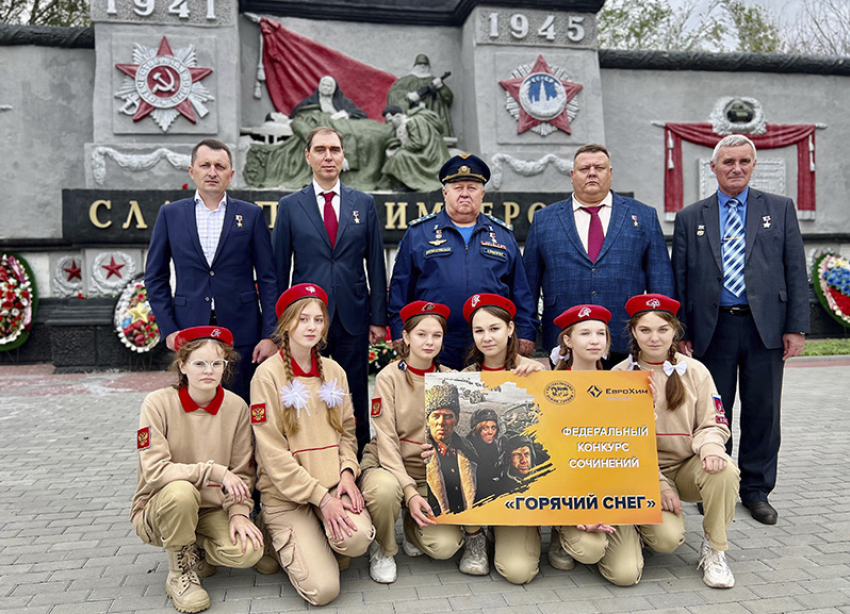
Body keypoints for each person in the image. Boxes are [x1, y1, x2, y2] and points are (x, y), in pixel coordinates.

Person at [672, 133, 809, 526]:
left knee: (763, 412)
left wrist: (796, 327)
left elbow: (795, 270)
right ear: (713, 168)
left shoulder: (779, 209)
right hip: (710, 329)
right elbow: (680, 279)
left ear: (753, 166)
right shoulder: (690, 217)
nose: (736, 168)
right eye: (727, 162)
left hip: (764, 327)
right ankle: (714, 480)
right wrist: (679, 332)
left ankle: (756, 489)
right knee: (713, 411)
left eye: (744, 162)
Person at [250, 283, 375, 605]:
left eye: (318, 320)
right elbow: (272, 453)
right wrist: (322, 499)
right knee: (323, 591)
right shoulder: (266, 376)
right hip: (287, 495)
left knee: (358, 540)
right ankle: (272, 530)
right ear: (286, 324)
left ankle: (320, 538)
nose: (311, 327)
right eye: (303, 319)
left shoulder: (333, 370)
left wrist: (347, 474)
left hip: (332, 485)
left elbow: (348, 431)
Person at [130, 326, 263, 613]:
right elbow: (155, 472)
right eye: (199, 363)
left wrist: (240, 513)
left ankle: (195, 546)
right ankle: (180, 574)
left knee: (249, 552)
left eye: (217, 363)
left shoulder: (236, 407)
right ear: (182, 366)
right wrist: (214, 471)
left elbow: (242, 474)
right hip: (161, 507)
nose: (209, 370)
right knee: (181, 491)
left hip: (211, 509)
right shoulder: (157, 404)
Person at [272, 126, 388, 455]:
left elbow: (376, 265)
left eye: (335, 150)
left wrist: (378, 318)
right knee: (306, 388)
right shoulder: (291, 206)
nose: (328, 156)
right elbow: (279, 269)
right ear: (307, 156)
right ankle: (311, 455)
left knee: (353, 393)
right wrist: (280, 323)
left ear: (343, 157)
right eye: (320, 150)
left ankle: (359, 458)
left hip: (352, 315)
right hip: (305, 319)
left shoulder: (363, 204)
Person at [613, 293, 740, 589]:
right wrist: (655, 481)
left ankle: (715, 550)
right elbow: (617, 439)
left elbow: (714, 420)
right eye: (645, 330)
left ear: (675, 331)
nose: (654, 338)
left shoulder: (695, 370)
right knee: (667, 540)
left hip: (684, 467)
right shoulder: (619, 375)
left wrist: (710, 446)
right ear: (633, 332)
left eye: (663, 330)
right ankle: (637, 524)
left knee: (725, 470)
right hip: (640, 472)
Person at [145, 139, 279, 403]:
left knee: (242, 405)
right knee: (197, 406)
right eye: (205, 165)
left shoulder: (250, 215)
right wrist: (169, 330)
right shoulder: (170, 214)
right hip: (190, 329)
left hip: (243, 331)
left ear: (231, 174)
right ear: (191, 170)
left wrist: (270, 336)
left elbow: (268, 279)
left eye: (220, 166)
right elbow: (155, 277)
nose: (212, 172)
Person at [523, 143, 674, 366]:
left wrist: (663, 331)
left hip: (624, 335)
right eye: (585, 169)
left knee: (621, 400)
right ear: (573, 175)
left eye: (599, 168)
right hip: (564, 336)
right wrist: (526, 332)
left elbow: (660, 281)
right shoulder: (544, 219)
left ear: (610, 173)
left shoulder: (643, 216)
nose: (592, 173)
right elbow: (529, 284)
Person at [389, 154, 537, 369]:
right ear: (445, 192)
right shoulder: (418, 233)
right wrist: (398, 330)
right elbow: (399, 289)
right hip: (435, 339)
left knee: (488, 399)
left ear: (482, 193)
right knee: (438, 401)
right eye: (458, 187)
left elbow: (521, 290)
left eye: (472, 187)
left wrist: (526, 332)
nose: (465, 194)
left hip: (490, 342)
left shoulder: (503, 235)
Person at [360, 300, 465, 584]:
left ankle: (411, 528)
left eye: (436, 335)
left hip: (430, 474)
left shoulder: (451, 379)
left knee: (445, 547)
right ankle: (383, 548)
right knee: (384, 491)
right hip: (389, 466)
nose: (429, 342)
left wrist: (526, 369)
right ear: (406, 337)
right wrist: (409, 491)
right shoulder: (389, 377)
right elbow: (386, 440)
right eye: (421, 334)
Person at [548, 304, 644, 587]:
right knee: (589, 549)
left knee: (626, 576)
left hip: (613, 493)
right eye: (585, 333)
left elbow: (632, 454)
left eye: (601, 334)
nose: (594, 340)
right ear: (567, 340)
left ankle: (632, 530)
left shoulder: (625, 387)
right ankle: (560, 529)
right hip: (567, 495)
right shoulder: (547, 387)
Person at [459, 293, 544, 584]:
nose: (487, 337)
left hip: (518, 490)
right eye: (478, 330)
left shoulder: (536, 372)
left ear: (510, 329)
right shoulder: (463, 379)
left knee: (518, 572)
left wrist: (542, 378)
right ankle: (475, 535)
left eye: (494, 328)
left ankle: (524, 530)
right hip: (480, 484)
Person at [424, 382, 479, 517]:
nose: (441, 422)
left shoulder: (469, 451)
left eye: (448, 416)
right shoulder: (422, 452)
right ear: (427, 420)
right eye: (436, 416)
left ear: (457, 420)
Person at [382, 103, 450, 192]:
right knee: (397, 155)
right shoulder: (401, 126)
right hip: (417, 151)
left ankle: (410, 184)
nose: (390, 124)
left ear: (398, 116)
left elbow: (418, 143)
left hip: (428, 155)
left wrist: (399, 149)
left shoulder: (413, 121)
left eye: (391, 121)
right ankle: (405, 183)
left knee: (400, 156)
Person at [387, 54, 454, 138]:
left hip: (431, 114)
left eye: (425, 65)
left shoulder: (434, 80)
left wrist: (440, 86)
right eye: (420, 64)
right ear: (415, 66)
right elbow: (393, 93)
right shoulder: (405, 81)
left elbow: (448, 97)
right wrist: (409, 95)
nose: (423, 67)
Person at [466, 407, 505, 501]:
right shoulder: (467, 449)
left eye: (493, 427)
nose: (490, 432)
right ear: (477, 430)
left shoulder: (495, 446)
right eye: (485, 428)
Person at [291, 75, 367, 120]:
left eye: (329, 85)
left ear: (334, 88)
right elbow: (295, 116)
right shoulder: (310, 101)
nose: (326, 88)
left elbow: (362, 115)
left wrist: (346, 114)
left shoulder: (342, 101)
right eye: (323, 85)